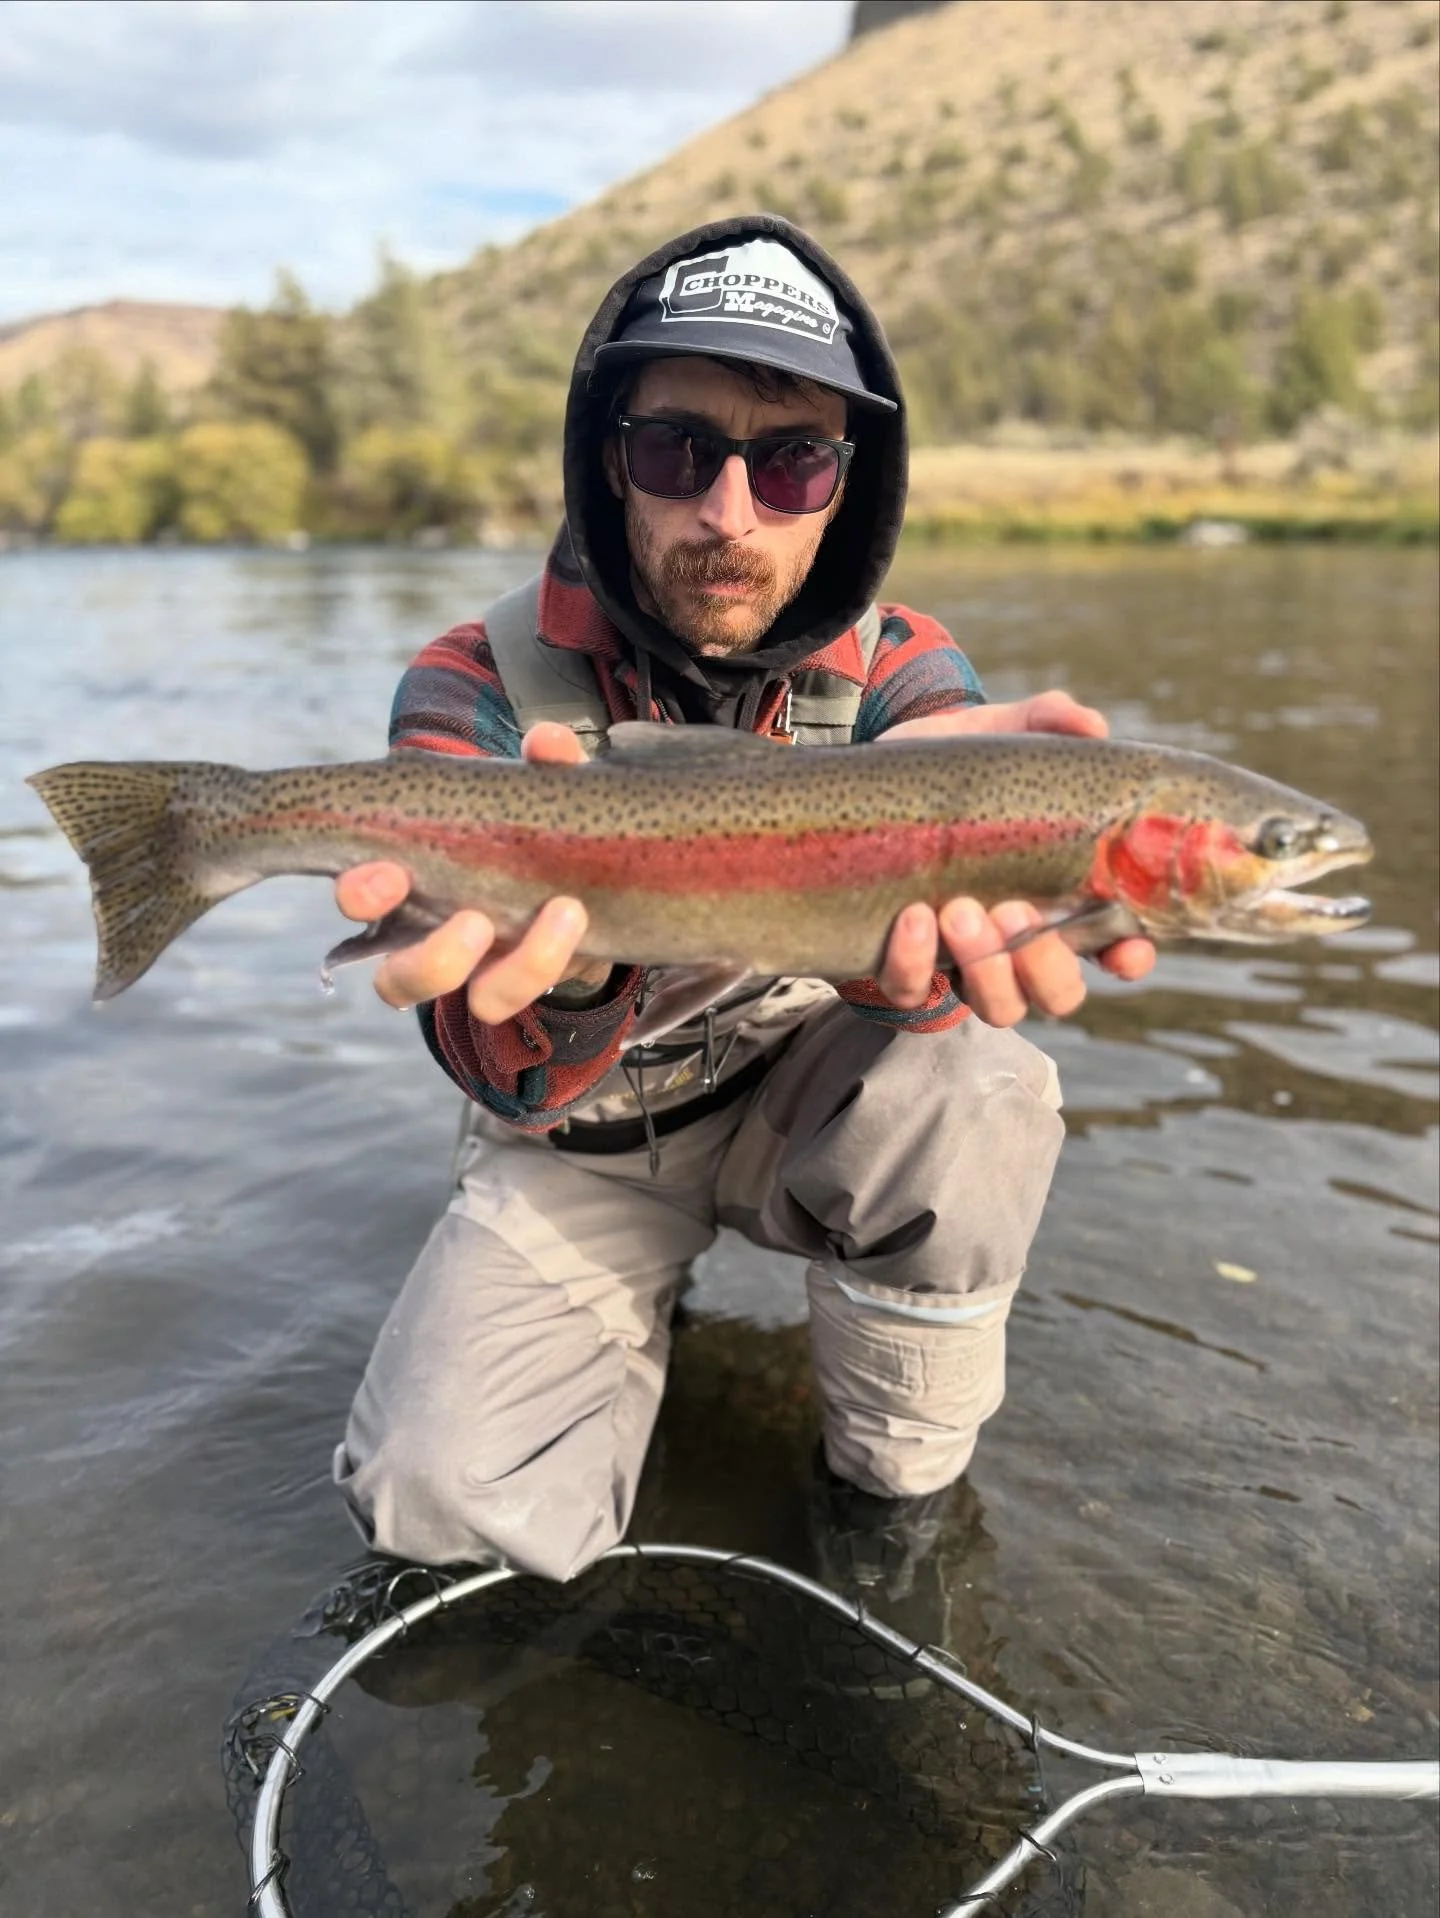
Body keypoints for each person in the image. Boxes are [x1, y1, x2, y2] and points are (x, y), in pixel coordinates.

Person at [330, 217, 1154, 1589]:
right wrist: (573, 973)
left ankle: (889, 1512)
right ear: (613, 459)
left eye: (789, 463)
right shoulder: (479, 672)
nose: (728, 513)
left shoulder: (908, 672)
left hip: (791, 1099)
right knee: (432, 1503)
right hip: (580, 1140)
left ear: (843, 484)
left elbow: (940, 984)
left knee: (982, 1084)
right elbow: (487, 1048)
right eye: (677, 451)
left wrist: (922, 947)